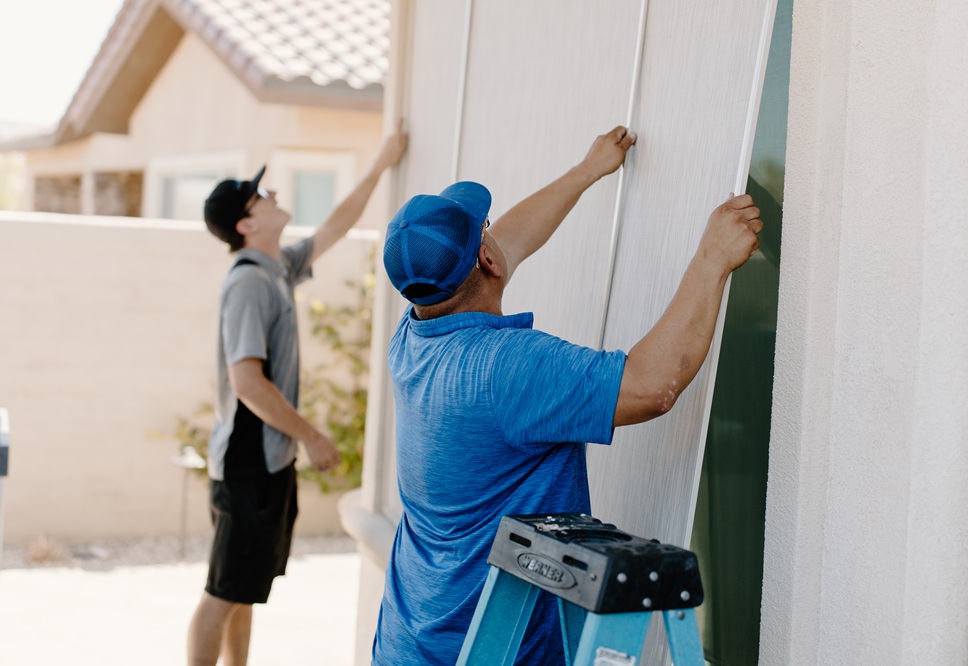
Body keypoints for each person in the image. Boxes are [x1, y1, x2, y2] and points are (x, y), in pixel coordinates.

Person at [374, 125, 762, 665]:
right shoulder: (508, 367)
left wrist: (587, 171)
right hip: (488, 650)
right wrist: (712, 259)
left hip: (411, 639)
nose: (496, 235)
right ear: (487, 261)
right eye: (485, 232)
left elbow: (509, 241)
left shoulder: (414, 334)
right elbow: (651, 386)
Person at [188, 124, 407, 666]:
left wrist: (381, 163)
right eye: (260, 196)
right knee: (222, 593)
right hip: (247, 463)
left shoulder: (277, 266)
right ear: (246, 224)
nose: (274, 194)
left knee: (244, 588)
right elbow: (246, 382)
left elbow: (336, 225)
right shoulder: (248, 282)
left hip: (265, 462)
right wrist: (311, 436)